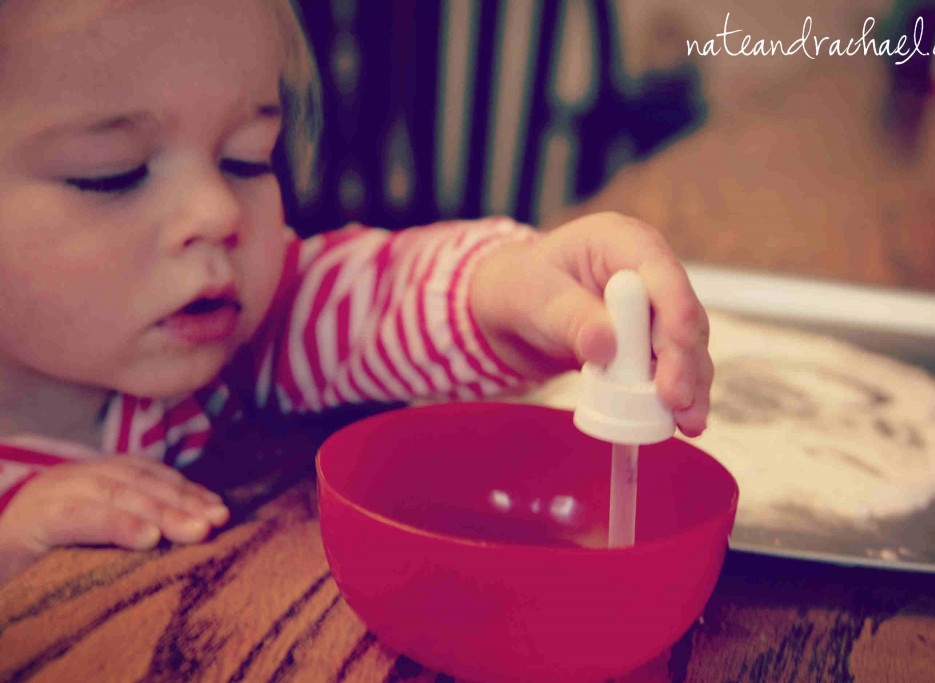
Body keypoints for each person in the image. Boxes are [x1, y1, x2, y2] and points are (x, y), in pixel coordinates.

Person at [0, 0, 712, 582]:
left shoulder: (240, 335)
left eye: (247, 159)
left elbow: (381, 294)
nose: (216, 212)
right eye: (112, 172)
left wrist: (513, 285)